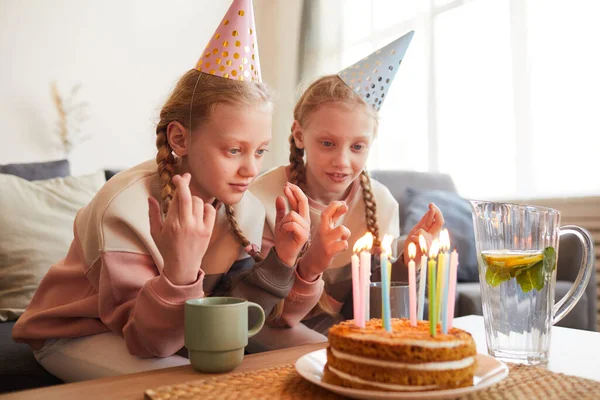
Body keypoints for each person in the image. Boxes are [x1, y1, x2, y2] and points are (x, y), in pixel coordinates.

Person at [12, 0, 310, 381]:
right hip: (80, 333)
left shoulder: (246, 210)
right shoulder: (122, 207)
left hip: (169, 333)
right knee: (189, 383)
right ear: (180, 138)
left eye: (260, 151)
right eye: (234, 150)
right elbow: (149, 342)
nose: (252, 169)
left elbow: (233, 319)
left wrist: (283, 261)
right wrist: (180, 272)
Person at [248, 31, 444, 350]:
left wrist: (411, 261)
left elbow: (383, 308)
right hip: (273, 326)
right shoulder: (262, 198)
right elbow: (266, 315)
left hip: (345, 328)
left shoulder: (381, 203)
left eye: (357, 146)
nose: (342, 161)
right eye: (327, 143)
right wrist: (314, 260)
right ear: (299, 135)